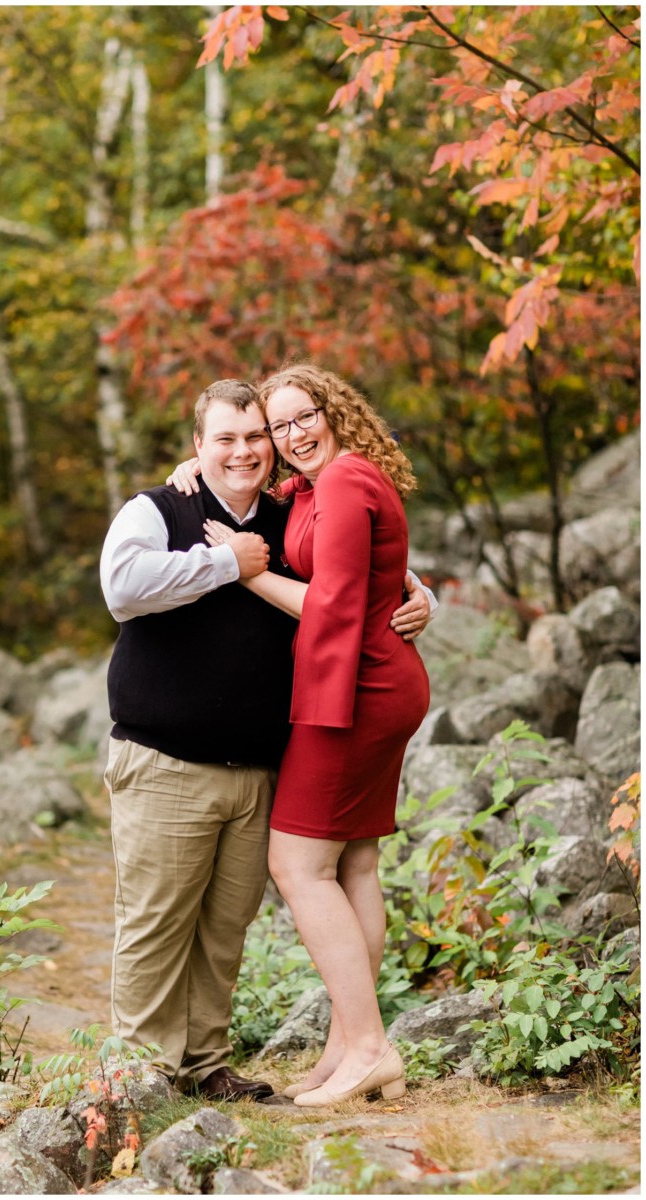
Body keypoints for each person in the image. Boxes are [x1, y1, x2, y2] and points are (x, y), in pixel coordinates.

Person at [100, 378, 432, 1102]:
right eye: (227, 438)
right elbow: (121, 587)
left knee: (225, 929)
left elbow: (364, 564)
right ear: (197, 447)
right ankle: (139, 1082)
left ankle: (207, 1066)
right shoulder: (160, 508)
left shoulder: (290, 510)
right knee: (157, 925)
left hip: (258, 762)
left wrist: (416, 593)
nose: (247, 449)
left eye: (259, 435)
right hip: (166, 761)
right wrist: (228, 563)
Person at [200, 364, 431, 1107]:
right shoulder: (322, 483)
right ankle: (346, 1048)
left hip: (357, 691)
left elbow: (331, 602)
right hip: (372, 681)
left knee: (297, 865)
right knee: (353, 865)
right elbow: (360, 554)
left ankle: (367, 1045)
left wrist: (243, 572)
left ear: (335, 413)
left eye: (305, 418)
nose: (292, 436)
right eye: (279, 426)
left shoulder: (341, 481)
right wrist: (195, 465)